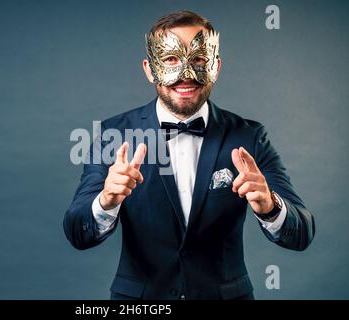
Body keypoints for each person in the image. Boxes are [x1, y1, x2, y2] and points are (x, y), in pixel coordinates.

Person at [63, 10, 315, 300]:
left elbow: (302, 233)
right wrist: (105, 202)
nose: (185, 74)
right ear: (149, 69)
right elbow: (77, 232)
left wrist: (271, 206)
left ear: (216, 67)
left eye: (198, 59)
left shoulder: (249, 136)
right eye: (170, 59)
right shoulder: (114, 135)